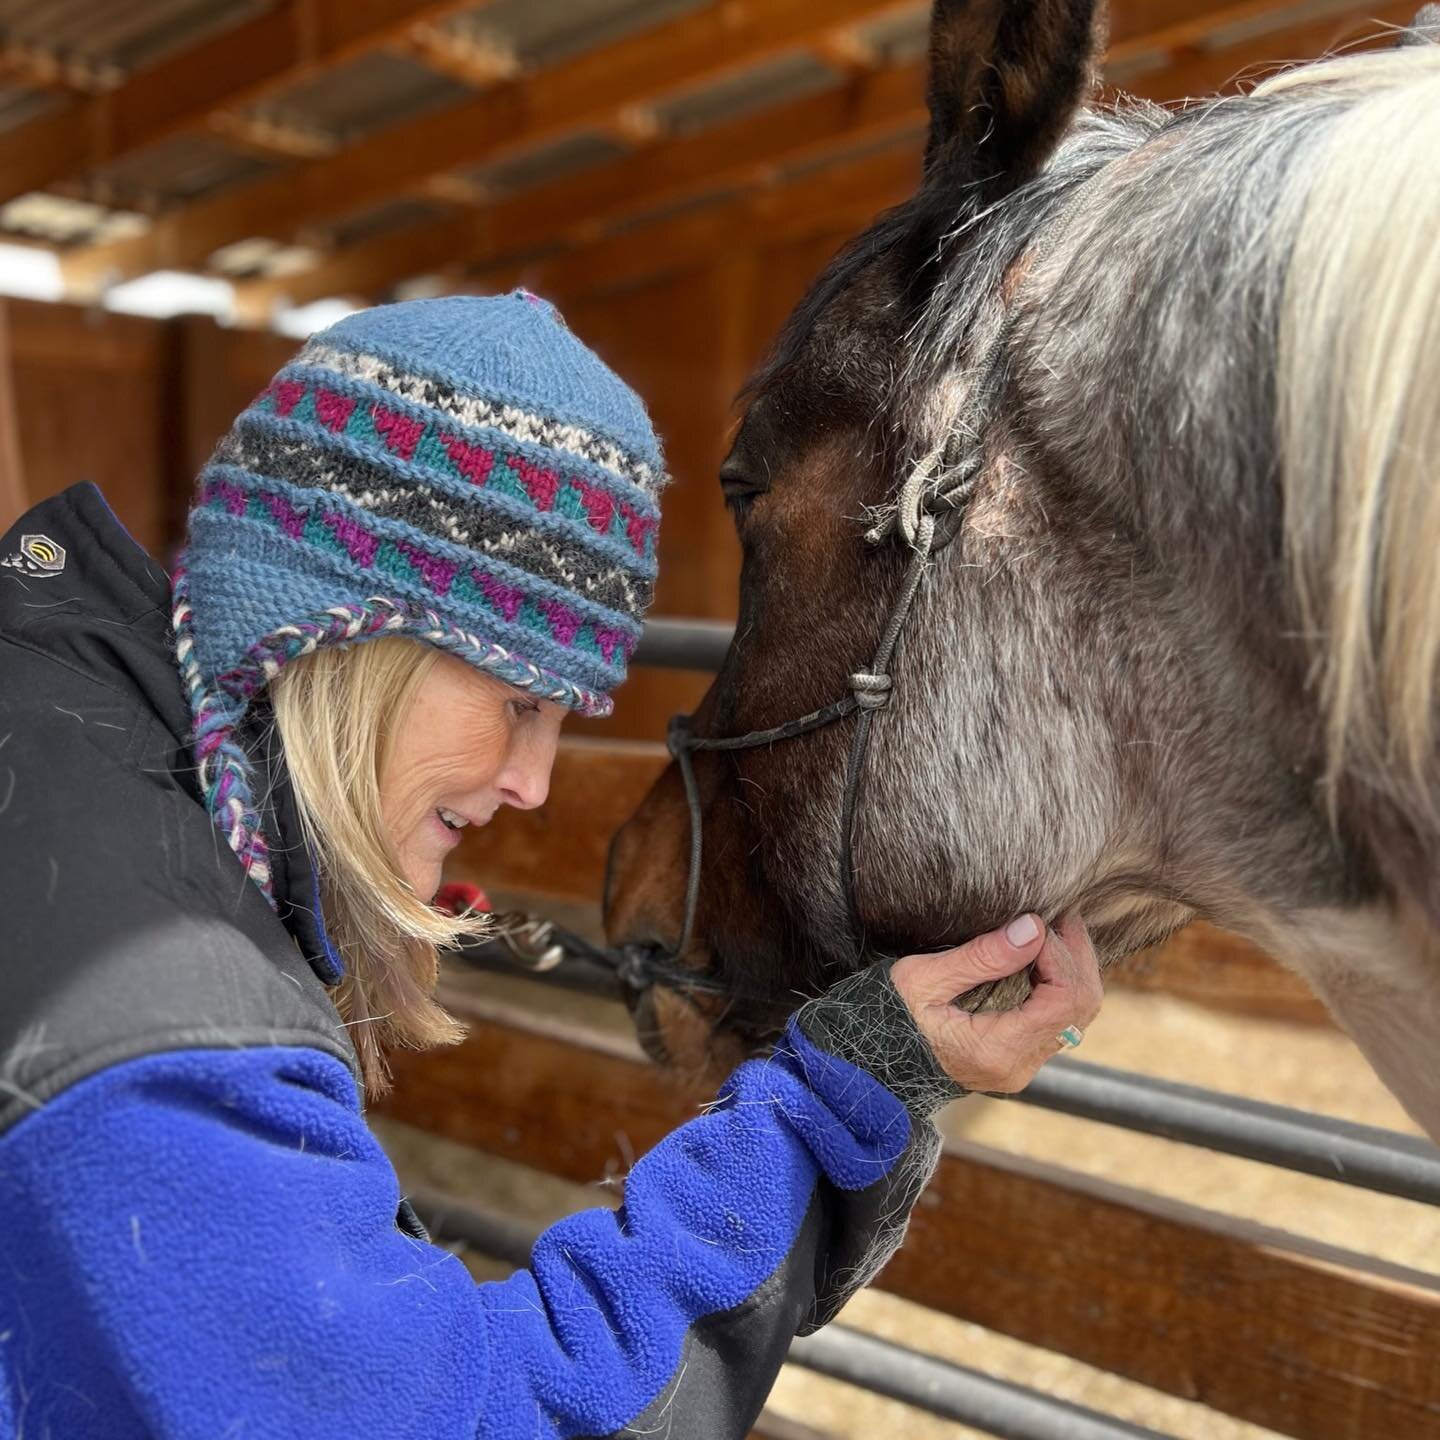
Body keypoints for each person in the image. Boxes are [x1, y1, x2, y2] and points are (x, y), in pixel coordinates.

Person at [0, 292, 1103, 1439]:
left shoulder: (58, 720)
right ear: (343, 627)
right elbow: (475, 1418)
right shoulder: (165, 1038)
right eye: (520, 702)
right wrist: (847, 1095)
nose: (533, 780)